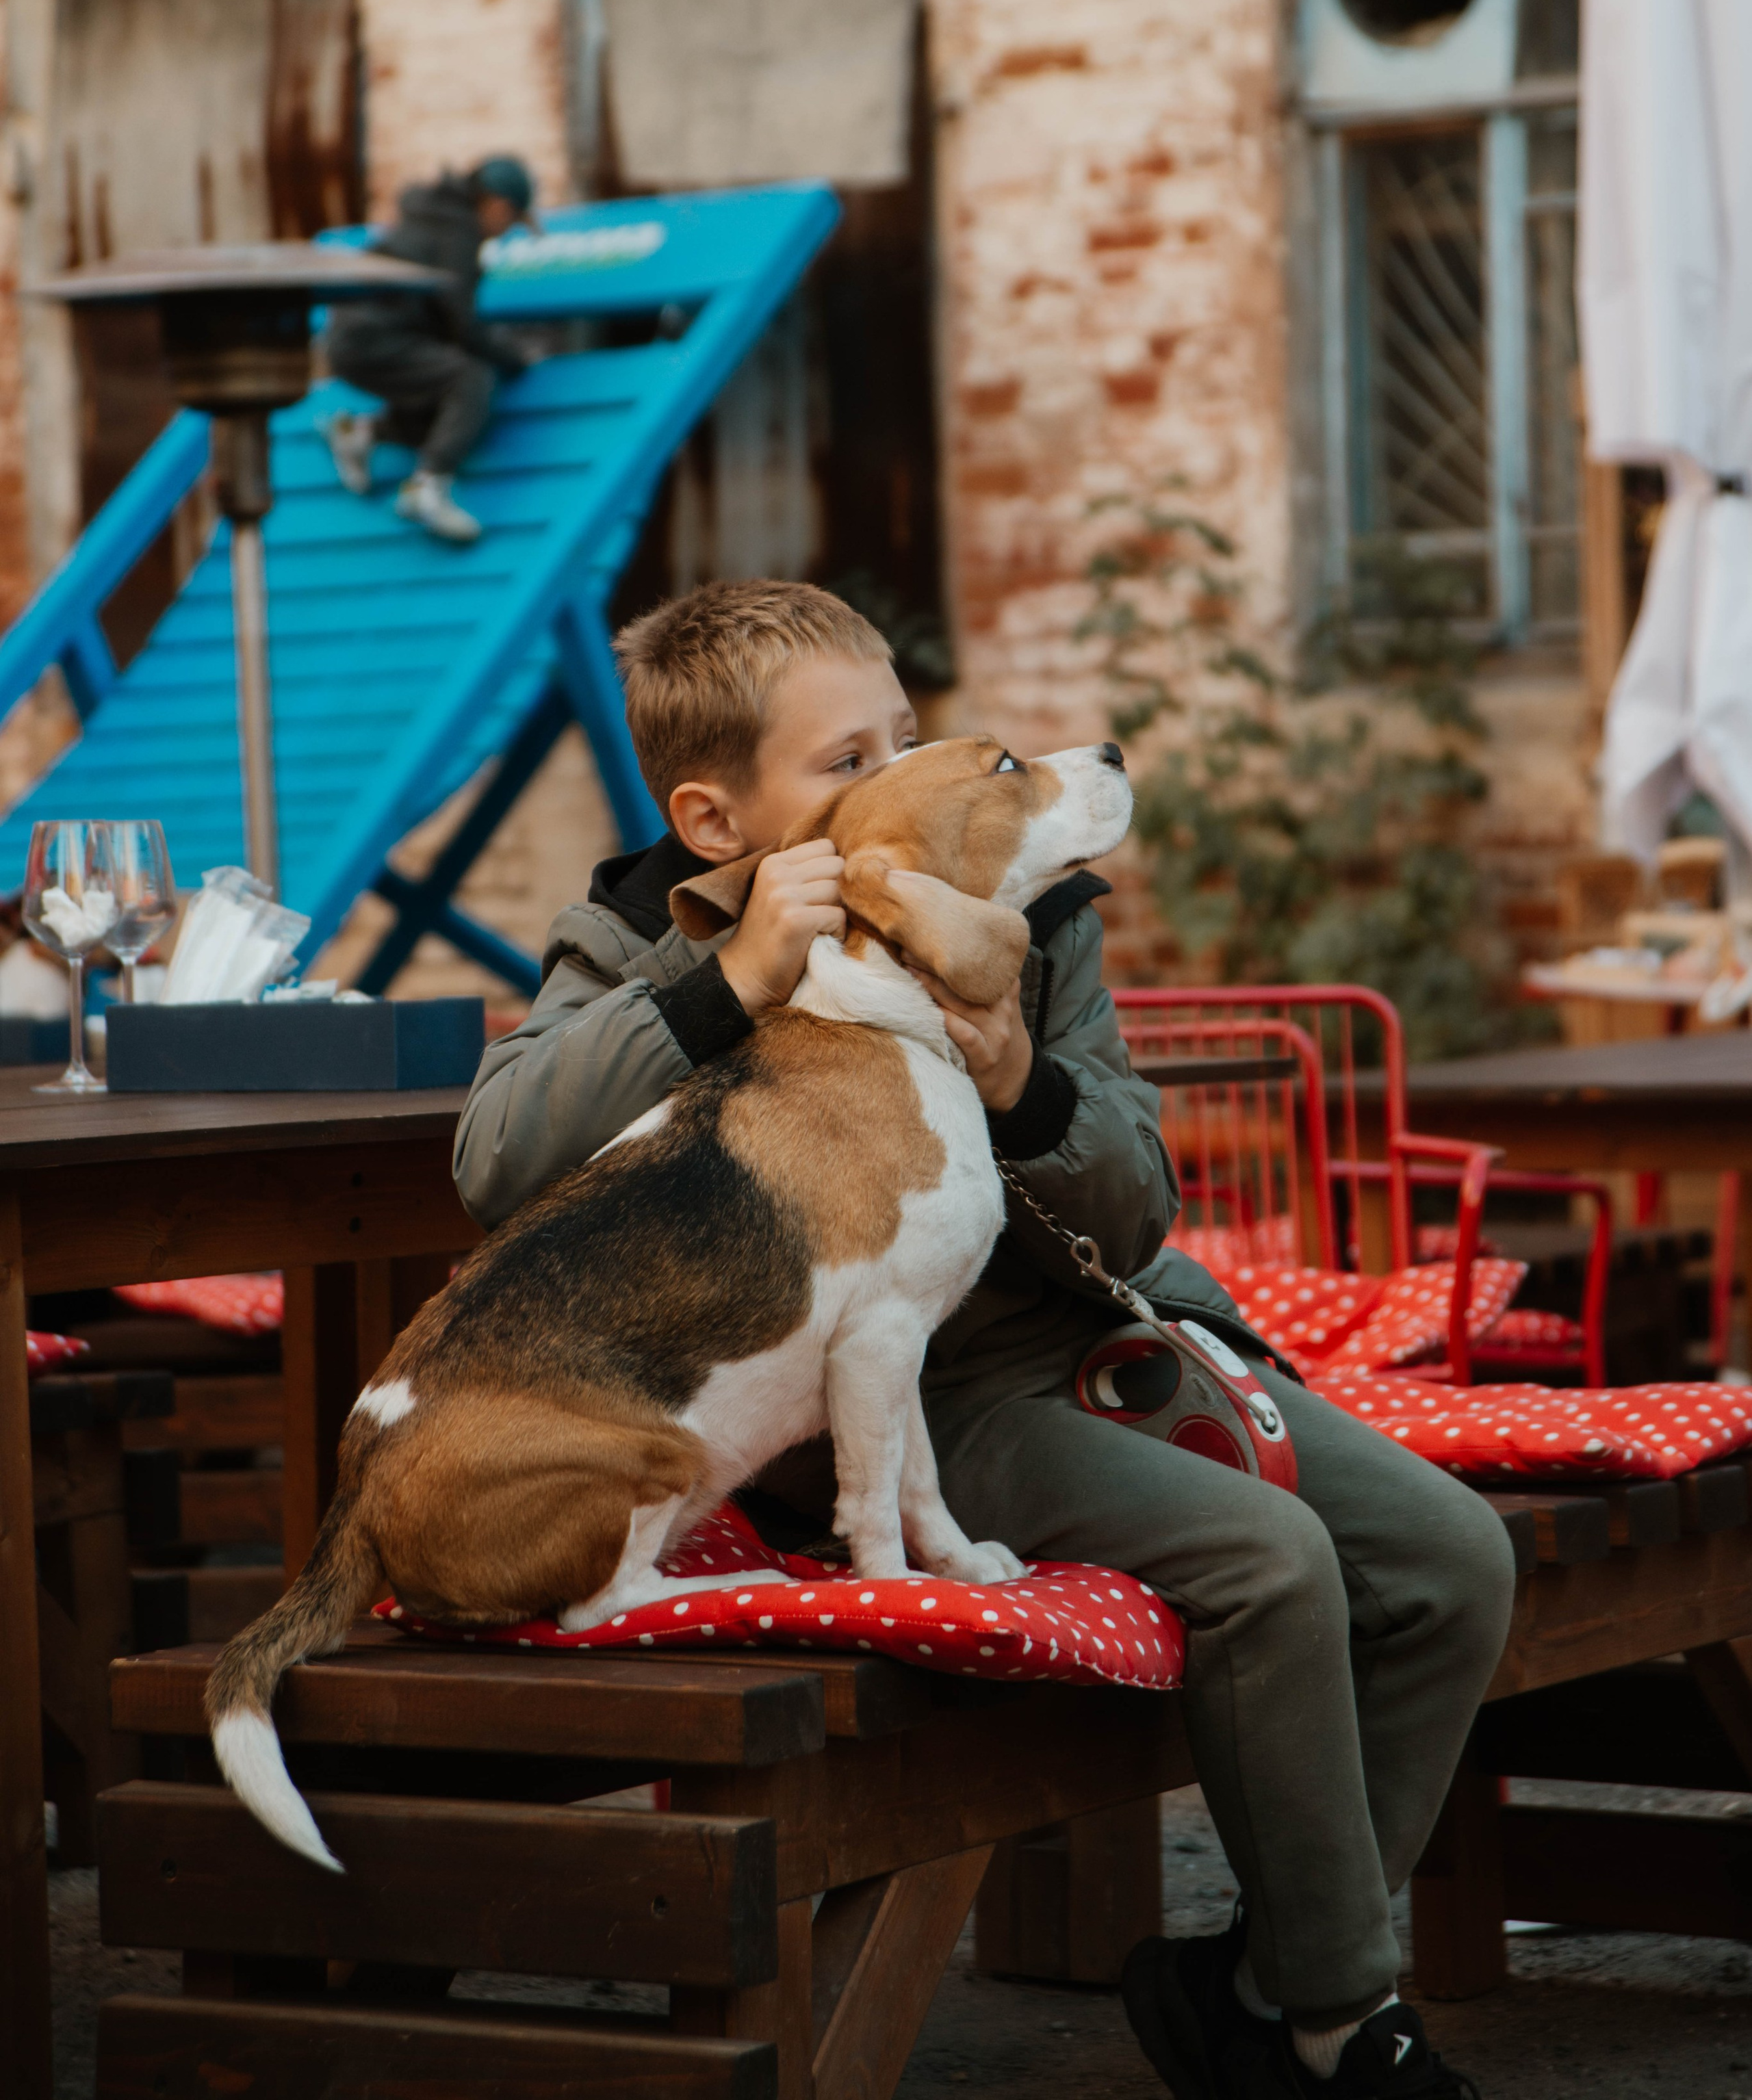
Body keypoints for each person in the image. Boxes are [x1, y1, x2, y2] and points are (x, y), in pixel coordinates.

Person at [453, 578, 1511, 2100]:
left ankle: (1258, 1990)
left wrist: (1021, 1080)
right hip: (902, 1405)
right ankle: (1343, 2024)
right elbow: (496, 1158)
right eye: (845, 760)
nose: (897, 772)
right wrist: (722, 982)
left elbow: (1133, 1209)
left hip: (1090, 1334)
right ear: (715, 820)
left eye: (904, 733)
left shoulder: (1029, 909)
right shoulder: (645, 933)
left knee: (1451, 1557)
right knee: (1272, 1565)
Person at [320, 154, 537, 545]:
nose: (505, 233)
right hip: (378, 337)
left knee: (446, 407)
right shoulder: (459, 233)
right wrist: (517, 359)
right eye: (512, 222)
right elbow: (462, 324)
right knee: (471, 380)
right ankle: (428, 485)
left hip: (353, 337)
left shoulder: (432, 216)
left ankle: (360, 432)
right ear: (498, 206)